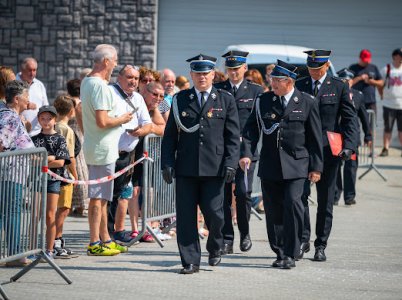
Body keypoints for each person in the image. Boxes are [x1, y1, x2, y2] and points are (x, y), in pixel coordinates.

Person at [240, 60, 323, 269]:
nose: (273, 83)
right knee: (274, 211)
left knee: (293, 205)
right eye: (272, 79)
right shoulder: (264, 101)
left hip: (297, 165)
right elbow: (251, 131)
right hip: (270, 165)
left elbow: (315, 138)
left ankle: (290, 252)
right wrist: (247, 153)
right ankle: (279, 250)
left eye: (278, 80)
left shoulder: (307, 102)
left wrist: (316, 167)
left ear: (290, 81)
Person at [161, 54, 240, 274]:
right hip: (186, 167)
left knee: (215, 215)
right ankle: (190, 261)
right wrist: (167, 163)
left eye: (206, 73)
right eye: (198, 73)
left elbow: (233, 136)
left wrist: (231, 163)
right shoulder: (181, 99)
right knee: (186, 217)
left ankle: (215, 246)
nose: (202, 77)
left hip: (214, 168)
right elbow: (170, 136)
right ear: (191, 75)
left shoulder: (225, 99)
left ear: (213, 75)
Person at [296, 49, 359, 262]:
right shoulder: (300, 84)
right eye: (310, 68)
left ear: (327, 66)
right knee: (299, 197)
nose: (313, 72)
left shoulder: (339, 86)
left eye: (317, 68)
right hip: (302, 150)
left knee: (325, 201)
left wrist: (349, 146)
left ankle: (320, 244)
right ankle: (302, 238)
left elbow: (350, 120)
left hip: (327, 152)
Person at [80, 44, 132, 256]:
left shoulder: (87, 81)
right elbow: (102, 121)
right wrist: (123, 119)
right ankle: (94, 243)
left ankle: (106, 239)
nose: (116, 64)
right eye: (115, 60)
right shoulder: (99, 86)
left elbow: (81, 112)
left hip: (100, 147)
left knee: (103, 198)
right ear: (106, 61)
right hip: (102, 149)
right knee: (98, 198)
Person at [214, 51, 264, 254]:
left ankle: (244, 232)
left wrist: (249, 153)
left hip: (245, 153)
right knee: (223, 197)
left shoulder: (255, 91)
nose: (233, 73)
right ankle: (227, 238)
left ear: (245, 68)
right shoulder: (218, 89)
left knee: (243, 194)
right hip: (222, 152)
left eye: (237, 69)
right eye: (230, 69)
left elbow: (257, 126)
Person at [107, 64, 152, 245]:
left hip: (127, 154)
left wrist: (139, 132)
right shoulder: (110, 93)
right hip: (109, 153)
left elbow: (147, 124)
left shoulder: (139, 98)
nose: (133, 81)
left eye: (135, 78)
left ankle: (112, 233)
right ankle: (105, 235)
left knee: (118, 195)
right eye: (129, 77)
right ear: (119, 78)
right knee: (106, 197)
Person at [0, 80, 35, 267]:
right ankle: (14, 254)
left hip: (12, 173)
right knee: (12, 212)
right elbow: (1, 143)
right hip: (10, 173)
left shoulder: (11, 116)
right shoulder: (10, 118)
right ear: (16, 99)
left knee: (6, 212)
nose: (28, 101)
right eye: (26, 97)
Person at [129, 81, 166, 243]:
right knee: (134, 192)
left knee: (149, 193)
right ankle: (134, 229)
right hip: (132, 154)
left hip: (149, 157)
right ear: (145, 92)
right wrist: (151, 127)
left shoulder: (155, 109)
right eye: (155, 94)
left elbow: (163, 128)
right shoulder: (136, 103)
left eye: (161, 96)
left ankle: (147, 226)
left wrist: (150, 127)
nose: (158, 98)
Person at [31, 105, 71, 259]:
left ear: (55, 120)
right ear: (39, 119)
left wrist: (42, 159)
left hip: (53, 180)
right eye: (43, 118)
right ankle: (33, 249)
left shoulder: (60, 138)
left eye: (49, 118)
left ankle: (49, 249)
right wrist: (49, 158)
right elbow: (31, 160)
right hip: (36, 180)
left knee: (49, 215)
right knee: (35, 215)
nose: (46, 121)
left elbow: (61, 162)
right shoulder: (34, 139)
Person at [334, 68, 372, 205]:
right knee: (336, 166)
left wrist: (368, 135)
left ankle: (349, 197)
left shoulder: (358, 95)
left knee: (351, 167)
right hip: (336, 137)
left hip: (352, 137)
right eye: (343, 80)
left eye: (349, 80)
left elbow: (364, 117)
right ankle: (335, 196)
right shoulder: (333, 94)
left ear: (352, 81)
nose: (346, 82)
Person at [53, 95, 79, 257]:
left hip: (52, 172)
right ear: (71, 111)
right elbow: (70, 157)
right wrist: (75, 175)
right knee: (64, 208)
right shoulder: (67, 130)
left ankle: (57, 240)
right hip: (64, 174)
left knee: (57, 208)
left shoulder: (53, 126)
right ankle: (56, 240)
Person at [67, 78, 88, 215]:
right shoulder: (81, 103)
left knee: (74, 169)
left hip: (71, 135)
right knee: (81, 170)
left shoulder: (70, 102)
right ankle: (81, 204)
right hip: (80, 136)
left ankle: (73, 203)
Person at [378, 48, 402, 157]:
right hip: (389, 104)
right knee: (388, 128)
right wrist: (382, 95)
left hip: (401, 105)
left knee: (401, 129)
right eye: (400, 55)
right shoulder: (386, 69)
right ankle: (385, 148)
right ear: (395, 56)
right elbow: (380, 84)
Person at [17, 57, 49, 136]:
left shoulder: (39, 85)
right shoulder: (13, 83)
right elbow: (8, 106)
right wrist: (25, 106)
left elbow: (45, 106)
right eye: (29, 70)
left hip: (37, 133)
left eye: (34, 70)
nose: (32, 73)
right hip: (18, 133)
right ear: (22, 70)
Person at [349, 49, 384, 114]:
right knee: (355, 123)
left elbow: (381, 83)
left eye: (368, 60)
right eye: (364, 60)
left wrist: (371, 81)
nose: (366, 62)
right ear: (360, 58)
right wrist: (359, 78)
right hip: (356, 101)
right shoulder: (353, 68)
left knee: (371, 122)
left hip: (370, 102)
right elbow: (348, 84)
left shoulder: (373, 67)